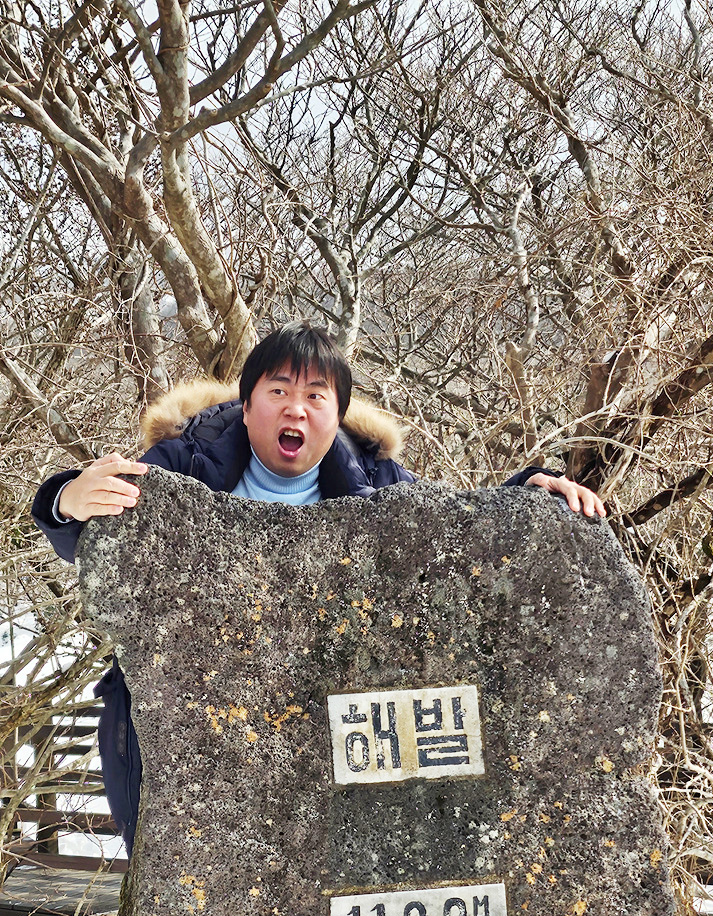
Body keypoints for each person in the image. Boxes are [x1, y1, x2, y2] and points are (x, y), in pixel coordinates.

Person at [32, 322, 605, 853]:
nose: (296, 409)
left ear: (338, 416)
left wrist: (531, 496)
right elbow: (100, 528)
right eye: (279, 391)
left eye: (315, 396)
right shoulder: (185, 462)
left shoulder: (373, 479)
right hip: (186, 735)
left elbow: (451, 539)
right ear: (246, 404)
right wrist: (66, 500)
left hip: (323, 736)